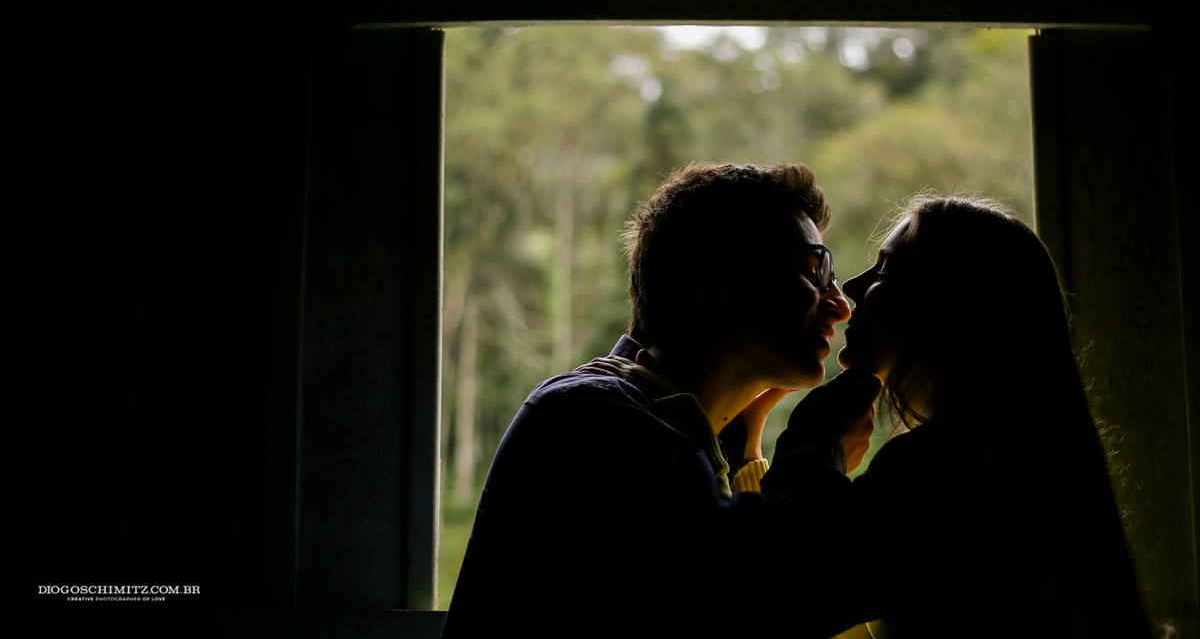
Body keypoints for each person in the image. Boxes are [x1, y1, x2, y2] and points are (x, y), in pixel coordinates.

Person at [440, 162, 881, 638]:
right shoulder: (592, 421)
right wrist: (817, 452)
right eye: (813, 270)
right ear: (721, 277)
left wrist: (743, 453)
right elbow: (754, 601)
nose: (839, 303)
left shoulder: (651, 425)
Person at [784, 195, 1153, 639]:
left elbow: (793, 596)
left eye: (884, 270)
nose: (853, 289)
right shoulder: (1011, 453)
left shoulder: (952, 462)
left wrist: (812, 447)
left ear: (948, 303)